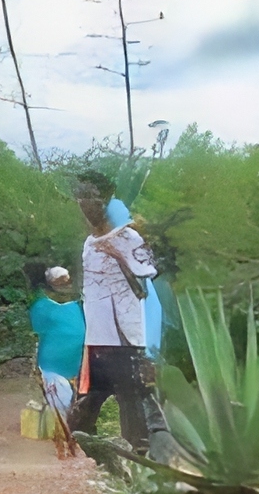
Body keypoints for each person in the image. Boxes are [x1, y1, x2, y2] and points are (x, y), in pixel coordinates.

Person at [71, 179, 162, 458]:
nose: (87, 205)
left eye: (93, 198)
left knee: (130, 395)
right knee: (95, 393)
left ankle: (137, 454)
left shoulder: (129, 238)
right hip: (98, 335)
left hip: (125, 334)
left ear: (106, 201)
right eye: (82, 199)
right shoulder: (88, 244)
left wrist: (118, 255)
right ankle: (76, 441)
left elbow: (148, 276)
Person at [26, 262, 84, 460]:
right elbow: (36, 330)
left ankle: (70, 445)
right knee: (58, 407)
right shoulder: (41, 307)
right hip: (52, 367)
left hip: (78, 369)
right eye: (60, 282)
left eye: (66, 282)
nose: (64, 286)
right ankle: (64, 447)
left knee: (70, 408)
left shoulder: (80, 306)